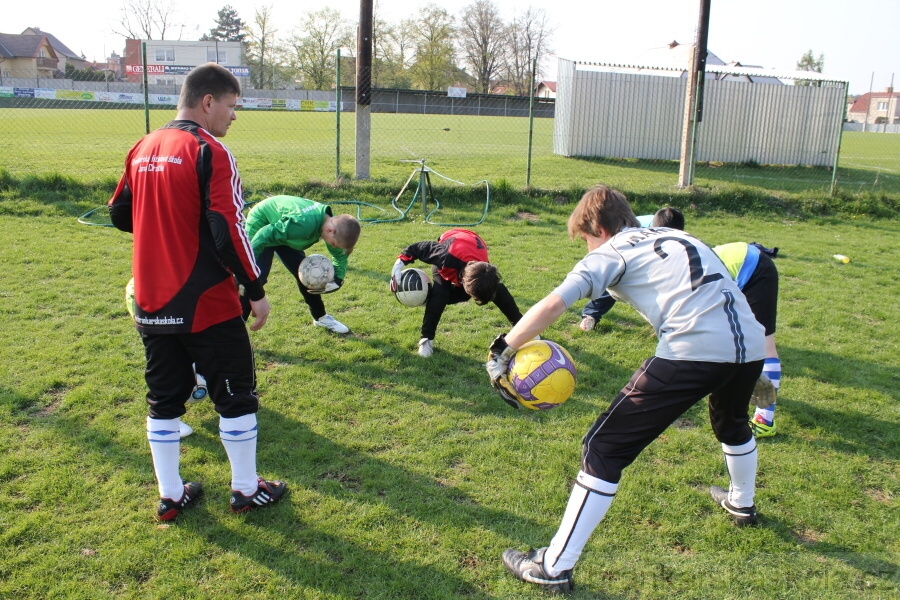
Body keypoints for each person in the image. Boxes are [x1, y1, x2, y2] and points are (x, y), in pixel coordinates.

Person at [486, 185, 766, 593]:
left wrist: (503, 349)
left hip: (694, 348)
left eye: (585, 240)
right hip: (750, 345)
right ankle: (742, 502)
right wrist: (745, 364)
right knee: (732, 422)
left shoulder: (611, 251)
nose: (586, 249)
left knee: (603, 446)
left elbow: (554, 304)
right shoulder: (678, 235)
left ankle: (553, 566)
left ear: (599, 229)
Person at [109, 63, 286, 521]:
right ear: (208, 102)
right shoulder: (210, 150)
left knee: (163, 399)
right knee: (236, 395)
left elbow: (119, 213)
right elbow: (228, 227)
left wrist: (164, 231)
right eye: (232, 105)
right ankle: (245, 489)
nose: (234, 115)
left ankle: (170, 496)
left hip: (151, 299)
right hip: (206, 300)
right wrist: (255, 287)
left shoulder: (143, 145)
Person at [650, 208, 782, 437]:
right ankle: (747, 377)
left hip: (754, 269)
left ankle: (765, 420)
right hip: (735, 274)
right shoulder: (670, 255)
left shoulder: (671, 261)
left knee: (764, 343)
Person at [390, 228, 524, 357]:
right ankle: (426, 339)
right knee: (440, 294)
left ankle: (523, 327)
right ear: (464, 280)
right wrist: (398, 266)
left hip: (471, 246)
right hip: (452, 244)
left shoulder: (486, 270)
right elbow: (417, 248)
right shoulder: (444, 256)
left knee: (492, 291)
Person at [242, 195, 361, 334]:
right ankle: (234, 327)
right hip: (262, 225)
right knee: (254, 277)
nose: (332, 246)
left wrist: (338, 279)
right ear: (330, 231)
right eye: (333, 244)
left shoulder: (331, 224)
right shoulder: (303, 225)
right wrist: (247, 263)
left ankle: (320, 318)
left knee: (307, 273)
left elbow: (339, 255)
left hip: (283, 229)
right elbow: (264, 234)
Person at [578, 210, 681, 332]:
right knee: (616, 280)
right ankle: (591, 315)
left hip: (649, 252)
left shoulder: (675, 233)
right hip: (617, 245)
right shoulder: (636, 230)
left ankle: (667, 321)